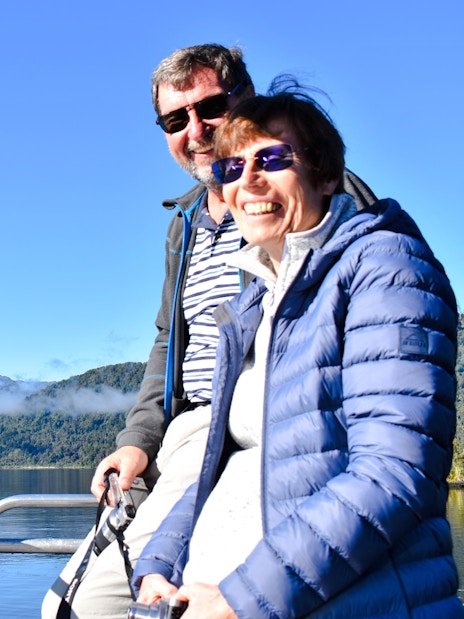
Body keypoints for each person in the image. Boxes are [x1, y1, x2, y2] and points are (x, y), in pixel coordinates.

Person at [41, 44, 376, 618]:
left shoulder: (315, 192)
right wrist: (136, 442)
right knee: (63, 605)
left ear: (247, 99)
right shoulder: (186, 224)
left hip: (253, 432)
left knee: (103, 610)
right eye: (175, 119)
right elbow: (169, 344)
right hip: (184, 434)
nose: (195, 130)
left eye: (211, 107)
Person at [133, 82, 463, 618]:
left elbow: (393, 474)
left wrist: (241, 598)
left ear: (327, 175)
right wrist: (158, 566)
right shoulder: (255, 307)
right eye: (231, 169)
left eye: (272, 158)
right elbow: (221, 465)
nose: (249, 180)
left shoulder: (385, 268)